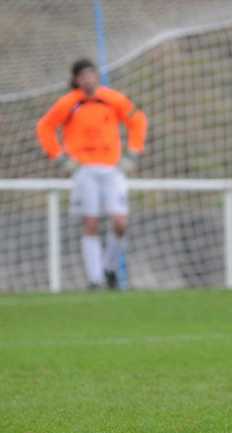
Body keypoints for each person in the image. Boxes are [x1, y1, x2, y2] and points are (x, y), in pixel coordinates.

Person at [37, 59, 148, 289]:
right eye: (83, 76)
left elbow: (138, 120)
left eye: (92, 74)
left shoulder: (112, 98)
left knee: (120, 222)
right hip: (84, 170)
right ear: (76, 80)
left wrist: (133, 153)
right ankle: (94, 279)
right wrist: (59, 157)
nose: (88, 79)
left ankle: (109, 268)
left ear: (97, 76)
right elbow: (45, 127)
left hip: (112, 168)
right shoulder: (69, 103)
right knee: (91, 221)